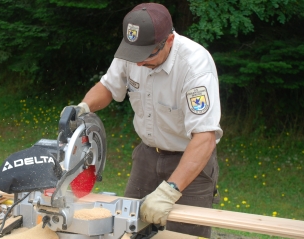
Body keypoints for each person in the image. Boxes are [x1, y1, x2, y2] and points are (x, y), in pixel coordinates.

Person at [68, 2, 222, 237]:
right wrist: (83, 108)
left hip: (190, 162)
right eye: (134, 55)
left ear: (168, 41)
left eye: (146, 56)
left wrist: (171, 191)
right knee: (128, 229)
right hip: (146, 158)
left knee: (184, 234)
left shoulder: (195, 67)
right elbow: (108, 87)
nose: (138, 62)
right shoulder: (135, 51)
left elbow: (205, 138)